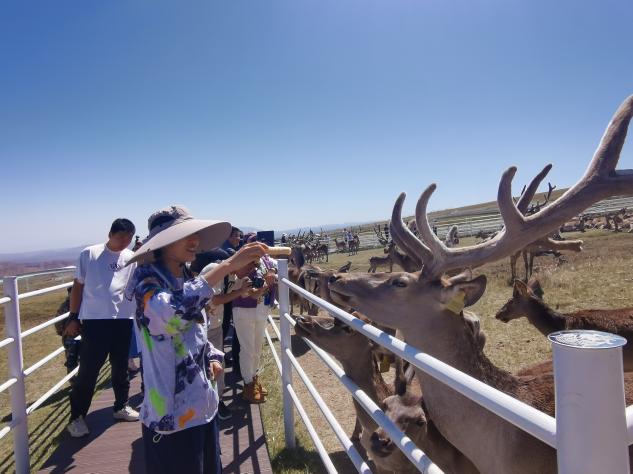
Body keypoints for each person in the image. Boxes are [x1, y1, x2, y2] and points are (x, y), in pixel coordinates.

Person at [125, 205, 267, 474]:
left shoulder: (184, 277)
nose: (195, 241)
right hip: (172, 418)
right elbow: (171, 315)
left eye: (195, 234)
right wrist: (227, 266)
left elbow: (192, 330)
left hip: (202, 406)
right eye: (183, 235)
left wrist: (212, 354)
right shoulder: (147, 283)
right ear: (162, 242)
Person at [64, 218, 139, 438]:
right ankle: (77, 417)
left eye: (129, 238)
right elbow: (78, 287)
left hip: (123, 319)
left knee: (120, 367)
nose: (125, 242)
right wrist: (73, 317)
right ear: (110, 234)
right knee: (88, 371)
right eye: (121, 237)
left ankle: (120, 406)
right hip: (95, 322)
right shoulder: (90, 254)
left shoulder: (131, 257)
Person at [200, 258, 255, 420]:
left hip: (215, 325)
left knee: (218, 363)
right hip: (200, 326)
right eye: (248, 266)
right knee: (202, 366)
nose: (249, 271)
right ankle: (206, 403)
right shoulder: (214, 269)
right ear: (239, 262)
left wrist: (256, 288)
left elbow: (242, 294)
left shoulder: (233, 276)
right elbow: (214, 300)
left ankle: (218, 401)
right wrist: (239, 291)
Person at [231, 234, 278, 404]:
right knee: (247, 348)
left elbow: (275, 267)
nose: (258, 248)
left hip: (261, 308)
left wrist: (272, 272)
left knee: (257, 347)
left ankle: (254, 378)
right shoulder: (239, 261)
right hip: (244, 308)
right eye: (253, 244)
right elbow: (238, 279)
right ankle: (248, 384)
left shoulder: (266, 261)